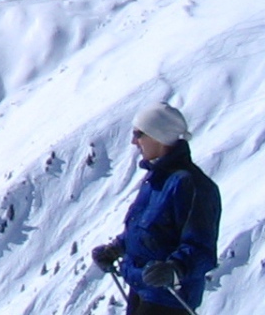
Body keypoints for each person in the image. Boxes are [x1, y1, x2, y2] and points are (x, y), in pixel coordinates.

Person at [90, 103, 221, 313]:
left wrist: (175, 269)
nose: (134, 141)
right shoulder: (157, 179)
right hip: (142, 294)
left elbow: (202, 249)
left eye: (138, 134)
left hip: (170, 302)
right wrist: (115, 249)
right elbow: (146, 231)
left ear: (157, 136)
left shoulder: (191, 185)